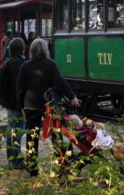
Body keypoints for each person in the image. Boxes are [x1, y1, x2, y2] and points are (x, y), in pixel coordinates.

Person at [16, 38, 80, 177]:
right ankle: (63, 164)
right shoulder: (51, 64)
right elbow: (60, 82)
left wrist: (21, 105)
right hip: (49, 105)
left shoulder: (25, 65)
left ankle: (32, 167)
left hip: (30, 104)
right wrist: (72, 97)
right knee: (56, 134)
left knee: (31, 136)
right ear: (46, 50)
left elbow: (20, 87)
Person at [0, 38, 27, 169]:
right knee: (18, 130)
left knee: (12, 130)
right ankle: (16, 160)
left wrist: (4, 100)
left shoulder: (6, 63)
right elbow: (21, 87)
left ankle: (12, 158)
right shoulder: (22, 64)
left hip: (10, 103)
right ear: (23, 49)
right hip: (19, 104)